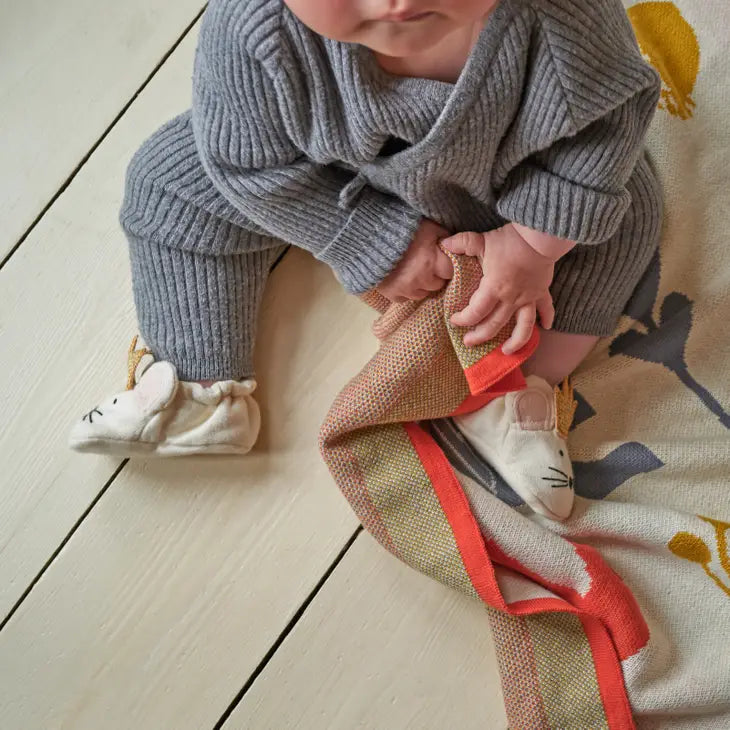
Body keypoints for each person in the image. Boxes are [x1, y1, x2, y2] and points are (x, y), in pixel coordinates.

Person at [69, 0, 662, 520]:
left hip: (512, 193)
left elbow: (607, 125)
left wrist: (531, 246)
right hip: (329, 182)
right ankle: (198, 386)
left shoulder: (562, 15)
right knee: (166, 181)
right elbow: (247, 164)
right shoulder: (255, 26)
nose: (395, 2)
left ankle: (514, 391)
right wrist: (364, 236)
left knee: (626, 214)